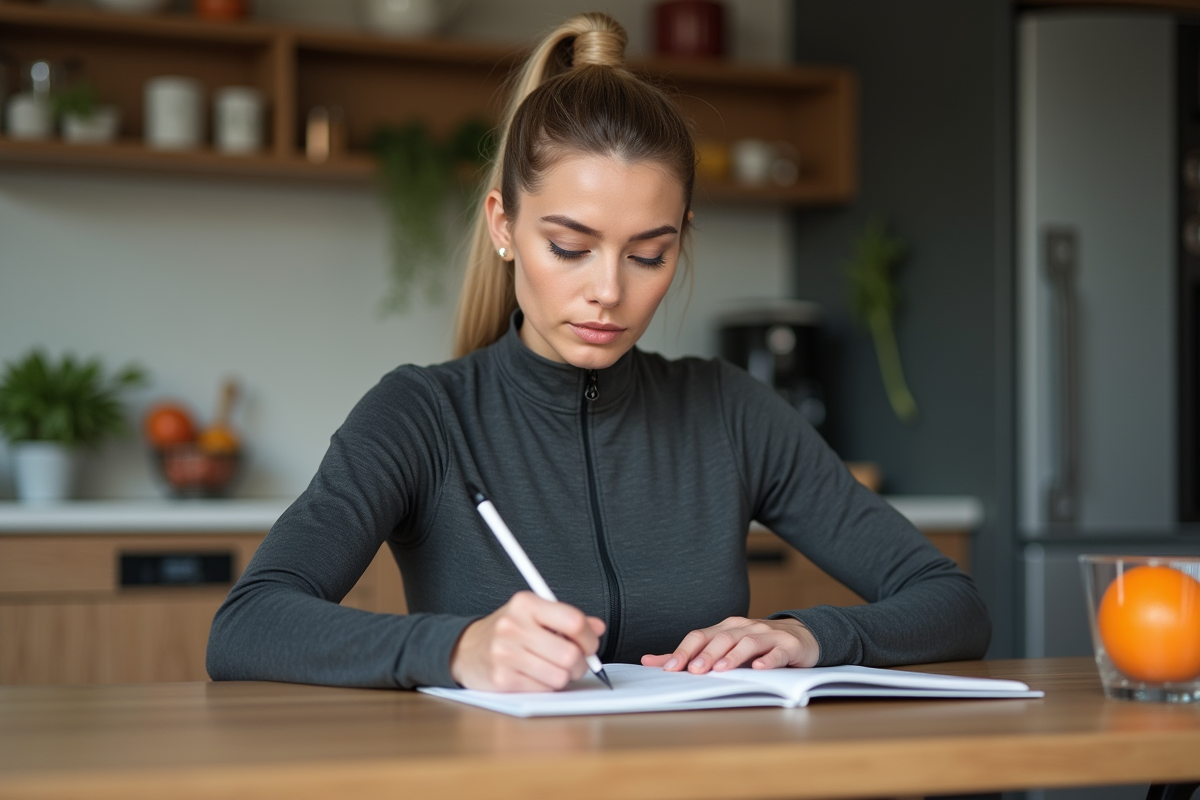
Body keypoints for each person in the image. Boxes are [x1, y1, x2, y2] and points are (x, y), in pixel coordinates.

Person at [207, 12, 990, 693]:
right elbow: (247, 625)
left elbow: (951, 603)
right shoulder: (422, 415)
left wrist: (809, 637)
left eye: (648, 255)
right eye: (569, 247)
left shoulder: (730, 412)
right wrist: (455, 648)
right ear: (503, 226)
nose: (608, 291)